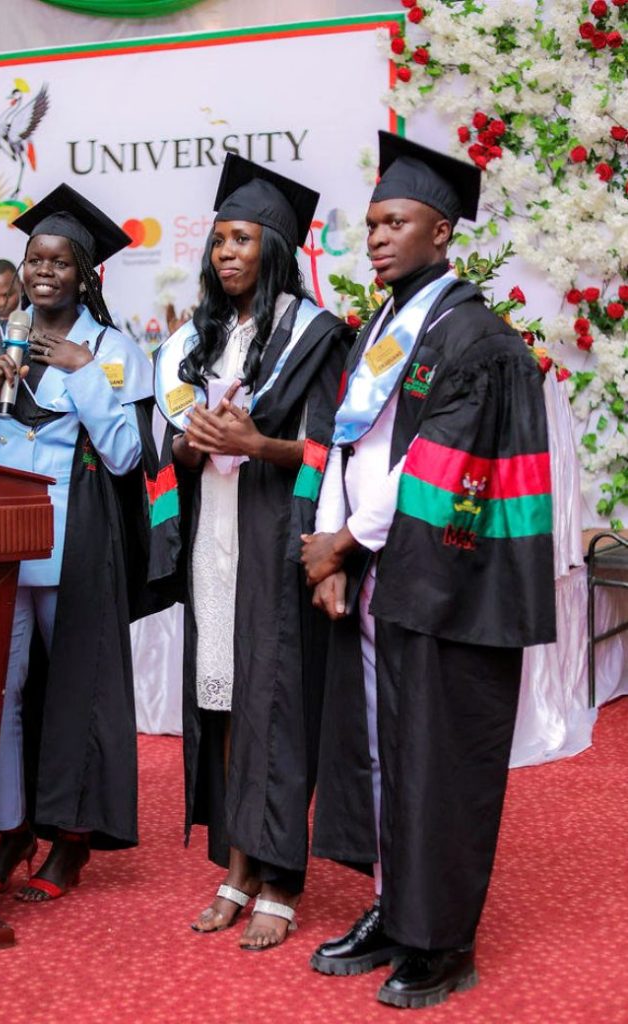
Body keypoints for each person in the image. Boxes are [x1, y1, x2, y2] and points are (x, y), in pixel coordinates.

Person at [301, 133, 556, 1008]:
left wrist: (343, 543)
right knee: (382, 750)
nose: (375, 237)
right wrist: (331, 544)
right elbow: (348, 441)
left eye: (395, 221)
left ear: (441, 233)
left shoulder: (477, 339)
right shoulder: (382, 326)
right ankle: (392, 908)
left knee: (437, 757)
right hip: (377, 574)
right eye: (370, 222)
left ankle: (443, 940)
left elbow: (432, 463)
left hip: (443, 584)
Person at [155, 154, 353, 950]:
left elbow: (330, 452)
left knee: (277, 700)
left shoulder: (317, 337)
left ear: (275, 248)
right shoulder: (198, 340)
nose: (226, 253)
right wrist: (195, 446)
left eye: (242, 239)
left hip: (276, 536)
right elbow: (172, 448)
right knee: (227, 702)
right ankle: (237, 865)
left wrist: (257, 442)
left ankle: (280, 877)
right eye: (217, 240)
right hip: (215, 534)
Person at [0, 183, 155, 902]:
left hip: (72, 549)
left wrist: (83, 372)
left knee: (77, 694)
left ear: (85, 274)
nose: (44, 271)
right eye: (36, 257)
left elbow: (128, 457)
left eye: (60, 261)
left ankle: (70, 838)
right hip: (1, 549)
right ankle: (10, 828)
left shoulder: (114, 350)